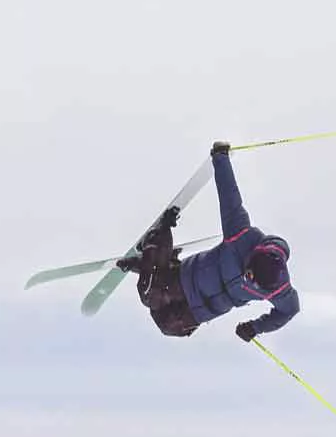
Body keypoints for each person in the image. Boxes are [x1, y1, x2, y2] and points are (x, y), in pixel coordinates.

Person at [117, 141, 300, 341]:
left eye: (253, 282)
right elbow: (230, 197)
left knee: (170, 327)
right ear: (254, 256)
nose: (247, 278)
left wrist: (255, 327)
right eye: (249, 273)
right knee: (149, 294)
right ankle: (155, 245)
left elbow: (289, 311)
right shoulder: (242, 236)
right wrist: (221, 158)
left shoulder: (280, 290)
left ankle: (158, 264)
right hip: (184, 280)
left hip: (205, 310)